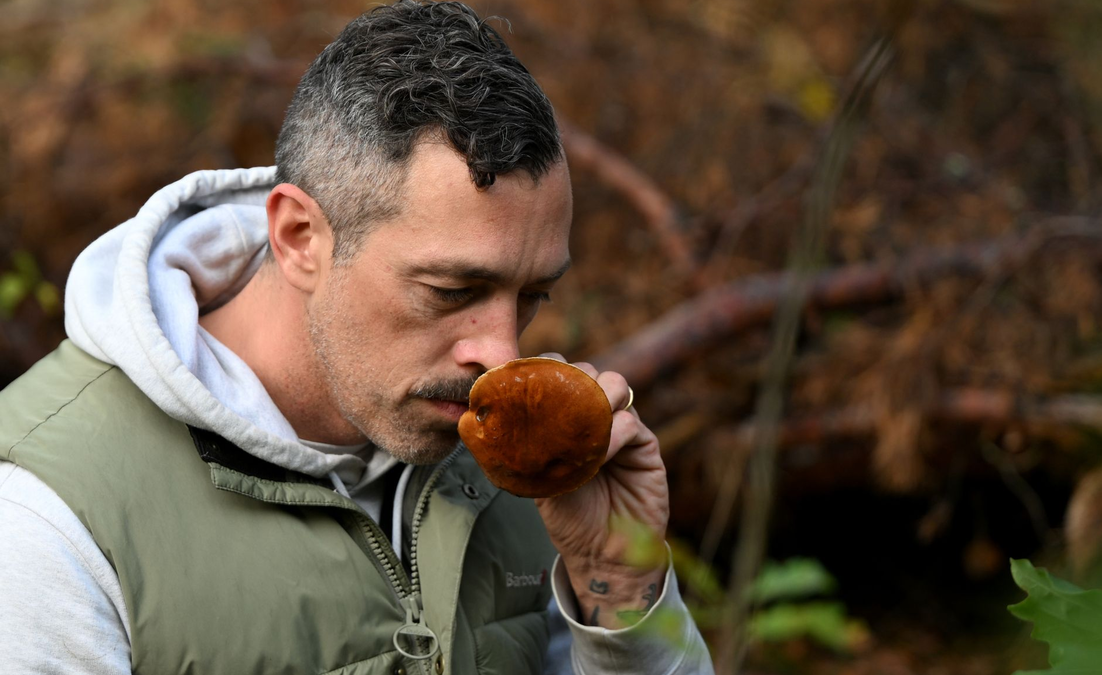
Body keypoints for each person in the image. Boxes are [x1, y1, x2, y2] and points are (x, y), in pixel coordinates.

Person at [0, 2, 714, 673]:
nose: (501, 354)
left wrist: (616, 584)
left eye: (531, 296)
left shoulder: (530, 473)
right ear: (299, 237)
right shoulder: (46, 520)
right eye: (451, 291)